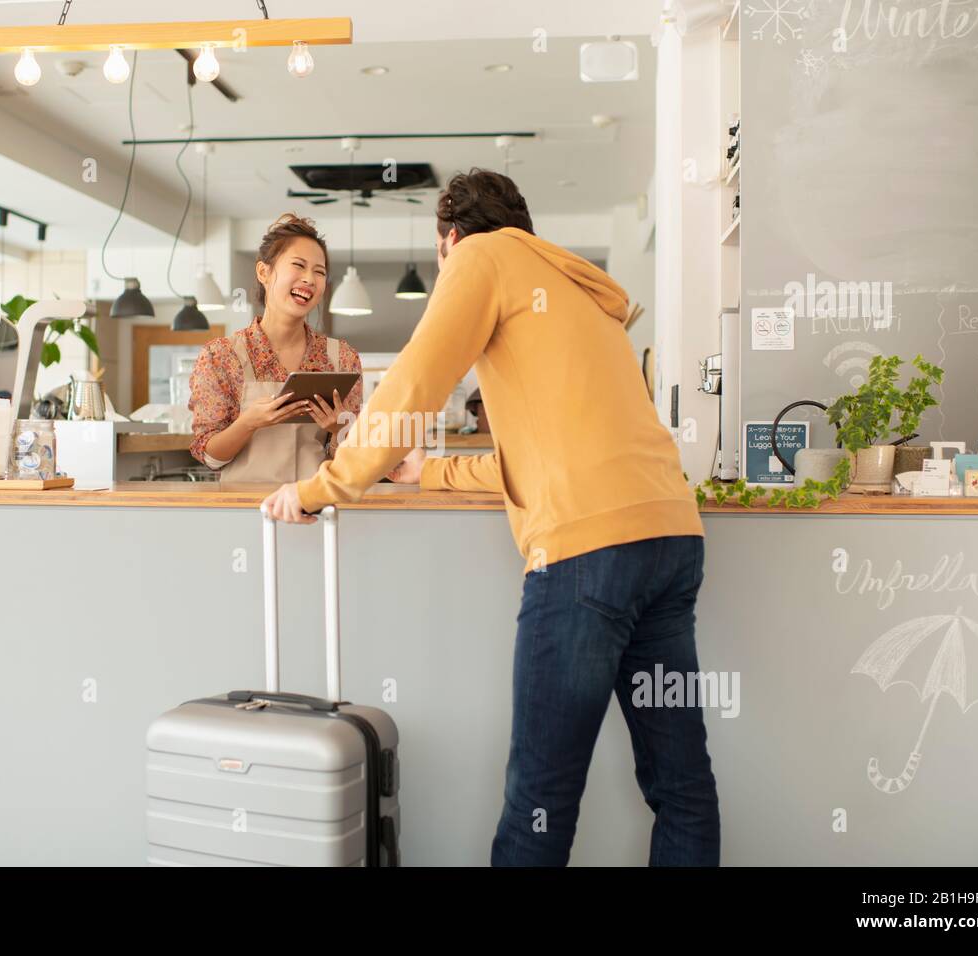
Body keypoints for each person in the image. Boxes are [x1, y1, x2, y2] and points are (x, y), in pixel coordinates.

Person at [262, 169, 719, 867]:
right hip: (670, 536)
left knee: (541, 794)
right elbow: (542, 454)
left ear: (448, 242)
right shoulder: (571, 285)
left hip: (585, 555)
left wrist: (325, 486)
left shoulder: (479, 258)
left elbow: (415, 384)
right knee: (681, 783)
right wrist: (433, 472)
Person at [188, 214, 362, 482]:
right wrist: (249, 422)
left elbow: (359, 459)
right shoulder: (221, 356)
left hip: (316, 508)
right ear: (263, 272)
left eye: (319, 272)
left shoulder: (342, 358)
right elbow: (211, 456)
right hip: (245, 512)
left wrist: (339, 429)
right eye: (298, 266)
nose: (310, 279)